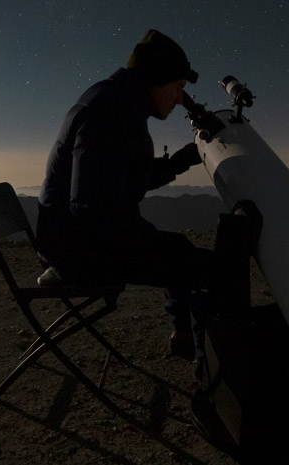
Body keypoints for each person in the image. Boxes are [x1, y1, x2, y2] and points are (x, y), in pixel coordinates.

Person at [35, 29, 214, 367]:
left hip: (69, 238)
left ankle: (187, 338)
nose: (179, 99)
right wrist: (143, 239)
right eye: (177, 88)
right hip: (77, 251)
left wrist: (180, 161)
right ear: (157, 79)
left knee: (176, 250)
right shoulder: (112, 113)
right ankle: (215, 373)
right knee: (209, 269)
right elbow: (90, 206)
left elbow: (119, 179)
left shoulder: (114, 101)